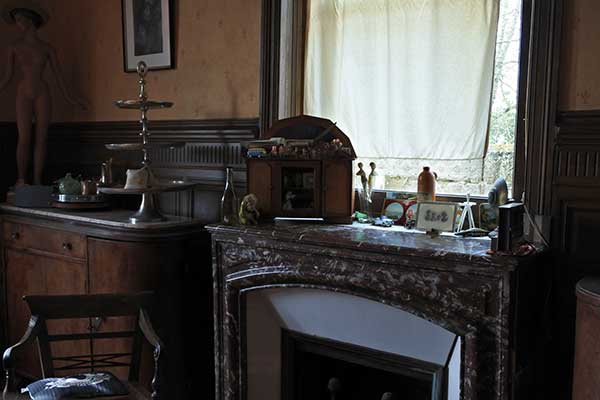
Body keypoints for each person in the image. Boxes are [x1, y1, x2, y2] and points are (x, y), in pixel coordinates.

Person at [0, 1, 85, 186]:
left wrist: (72, 98)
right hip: (23, 92)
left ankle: (37, 180)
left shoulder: (47, 48)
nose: (18, 24)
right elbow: (7, 77)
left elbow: (59, 78)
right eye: (16, 21)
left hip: (42, 91)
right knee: (24, 137)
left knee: (41, 137)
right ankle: (21, 179)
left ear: (30, 21)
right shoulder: (14, 47)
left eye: (20, 20)